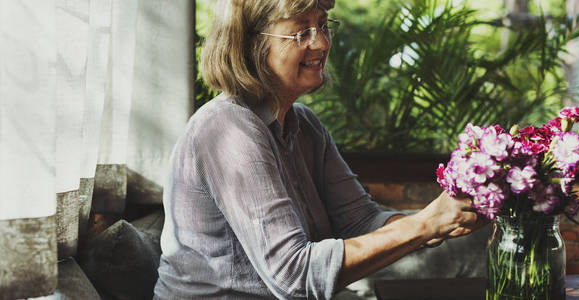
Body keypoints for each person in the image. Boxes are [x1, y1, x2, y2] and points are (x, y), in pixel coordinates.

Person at [153, 0, 485, 299]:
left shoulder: (305, 127)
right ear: (253, 42)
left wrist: (451, 218)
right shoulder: (226, 128)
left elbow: (362, 221)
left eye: (323, 25)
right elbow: (293, 275)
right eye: (301, 31)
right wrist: (425, 225)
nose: (322, 43)